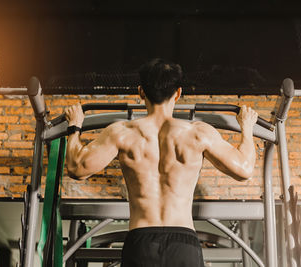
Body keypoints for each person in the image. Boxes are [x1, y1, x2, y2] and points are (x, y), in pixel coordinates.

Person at [65, 58, 258, 267]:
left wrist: (74, 127)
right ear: (178, 93)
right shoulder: (198, 134)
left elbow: (77, 168)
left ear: (141, 92)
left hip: (140, 244)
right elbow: (244, 169)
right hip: (183, 244)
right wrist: (246, 127)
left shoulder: (121, 133)